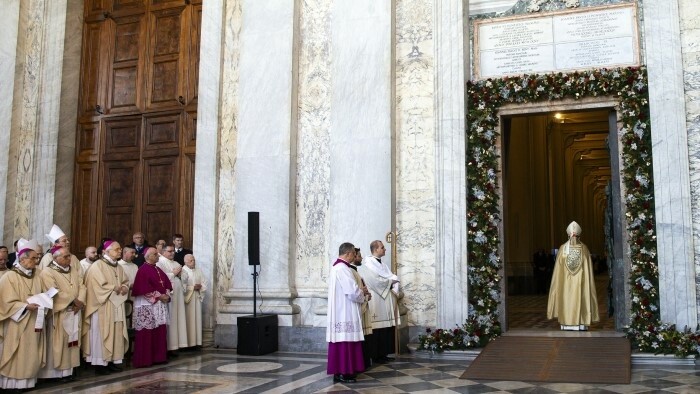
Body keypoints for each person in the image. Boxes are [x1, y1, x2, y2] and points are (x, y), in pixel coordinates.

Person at [0, 240, 45, 390]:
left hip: (34, 320)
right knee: (17, 352)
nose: (36, 261)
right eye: (33, 258)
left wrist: (45, 300)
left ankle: (28, 383)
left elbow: (43, 293)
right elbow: (5, 302)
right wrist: (25, 306)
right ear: (22, 259)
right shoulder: (9, 277)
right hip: (16, 323)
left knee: (31, 352)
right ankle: (12, 385)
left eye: (37, 258)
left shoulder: (37, 275)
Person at [38, 246, 85, 381]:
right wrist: (73, 301)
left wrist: (80, 301)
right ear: (55, 258)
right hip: (60, 313)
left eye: (69, 256)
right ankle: (56, 373)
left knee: (73, 340)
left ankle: (69, 370)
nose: (69, 259)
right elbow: (52, 291)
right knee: (60, 342)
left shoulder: (74, 270)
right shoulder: (47, 272)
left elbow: (82, 286)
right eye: (65, 257)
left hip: (75, 311)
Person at [82, 240, 130, 374]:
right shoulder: (98, 266)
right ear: (105, 252)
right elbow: (95, 286)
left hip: (117, 304)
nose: (120, 251)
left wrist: (125, 287)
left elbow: (125, 281)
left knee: (116, 333)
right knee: (102, 333)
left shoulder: (118, 267)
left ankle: (112, 360)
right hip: (102, 306)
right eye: (116, 249)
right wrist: (114, 288)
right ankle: (100, 363)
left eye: (120, 249)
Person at [547, 221, 600, 330]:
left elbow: (558, 270)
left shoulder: (563, 248)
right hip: (580, 283)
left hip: (566, 284)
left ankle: (567, 323)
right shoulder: (584, 248)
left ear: (568, 234)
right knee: (580, 297)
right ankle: (580, 322)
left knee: (567, 298)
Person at [327, 243, 367, 383]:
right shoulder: (343, 269)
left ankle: (340, 372)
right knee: (346, 340)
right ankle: (345, 372)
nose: (354, 257)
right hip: (345, 311)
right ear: (348, 253)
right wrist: (363, 293)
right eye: (353, 254)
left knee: (341, 341)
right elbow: (352, 291)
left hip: (340, 310)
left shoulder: (336, 267)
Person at [357, 240, 400, 364]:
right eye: (382, 247)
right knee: (377, 329)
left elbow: (390, 276)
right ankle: (376, 355)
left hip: (385, 298)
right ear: (376, 249)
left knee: (385, 328)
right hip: (376, 298)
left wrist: (392, 281)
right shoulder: (368, 264)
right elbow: (374, 281)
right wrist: (390, 283)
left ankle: (383, 353)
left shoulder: (383, 265)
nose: (384, 249)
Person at [131, 247, 172, 368]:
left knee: (159, 330)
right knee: (146, 331)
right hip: (147, 305)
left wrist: (166, 295)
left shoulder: (158, 269)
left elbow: (168, 284)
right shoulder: (142, 270)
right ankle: (145, 359)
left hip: (159, 305)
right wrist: (159, 296)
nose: (158, 257)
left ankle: (159, 357)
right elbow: (143, 288)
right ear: (148, 256)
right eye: (156, 254)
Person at [157, 245, 188, 354]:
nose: (172, 253)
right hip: (169, 295)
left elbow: (185, 277)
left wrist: (180, 275)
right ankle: (169, 346)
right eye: (170, 251)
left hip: (178, 296)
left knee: (178, 318)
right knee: (171, 319)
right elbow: (160, 277)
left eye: (173, 251)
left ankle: (176, 345)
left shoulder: (176, 263)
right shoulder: (160, 262)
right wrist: (173, 273)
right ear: (164, 251)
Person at [350, 248, 373, 368]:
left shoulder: (356, 272)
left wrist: (366, 294)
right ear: (353, 257)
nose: (361, 258)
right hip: (357, 308)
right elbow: (354, 292)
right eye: (359, 256)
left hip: (362, 305)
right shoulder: (350, 271)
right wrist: (363, 294)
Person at [182, 254, 205, 348]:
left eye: (194, 260)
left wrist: (201, 287)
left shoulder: (198, 270)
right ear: (185, 262)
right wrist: (192, 287)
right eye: (191, 260)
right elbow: (182, 286)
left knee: (197, 319)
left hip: (197, 297)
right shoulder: (183, 271)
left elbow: (204, 282)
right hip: (188, 300)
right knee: (189, 320)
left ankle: (197, 342)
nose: (193, 262)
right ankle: (187, 344)